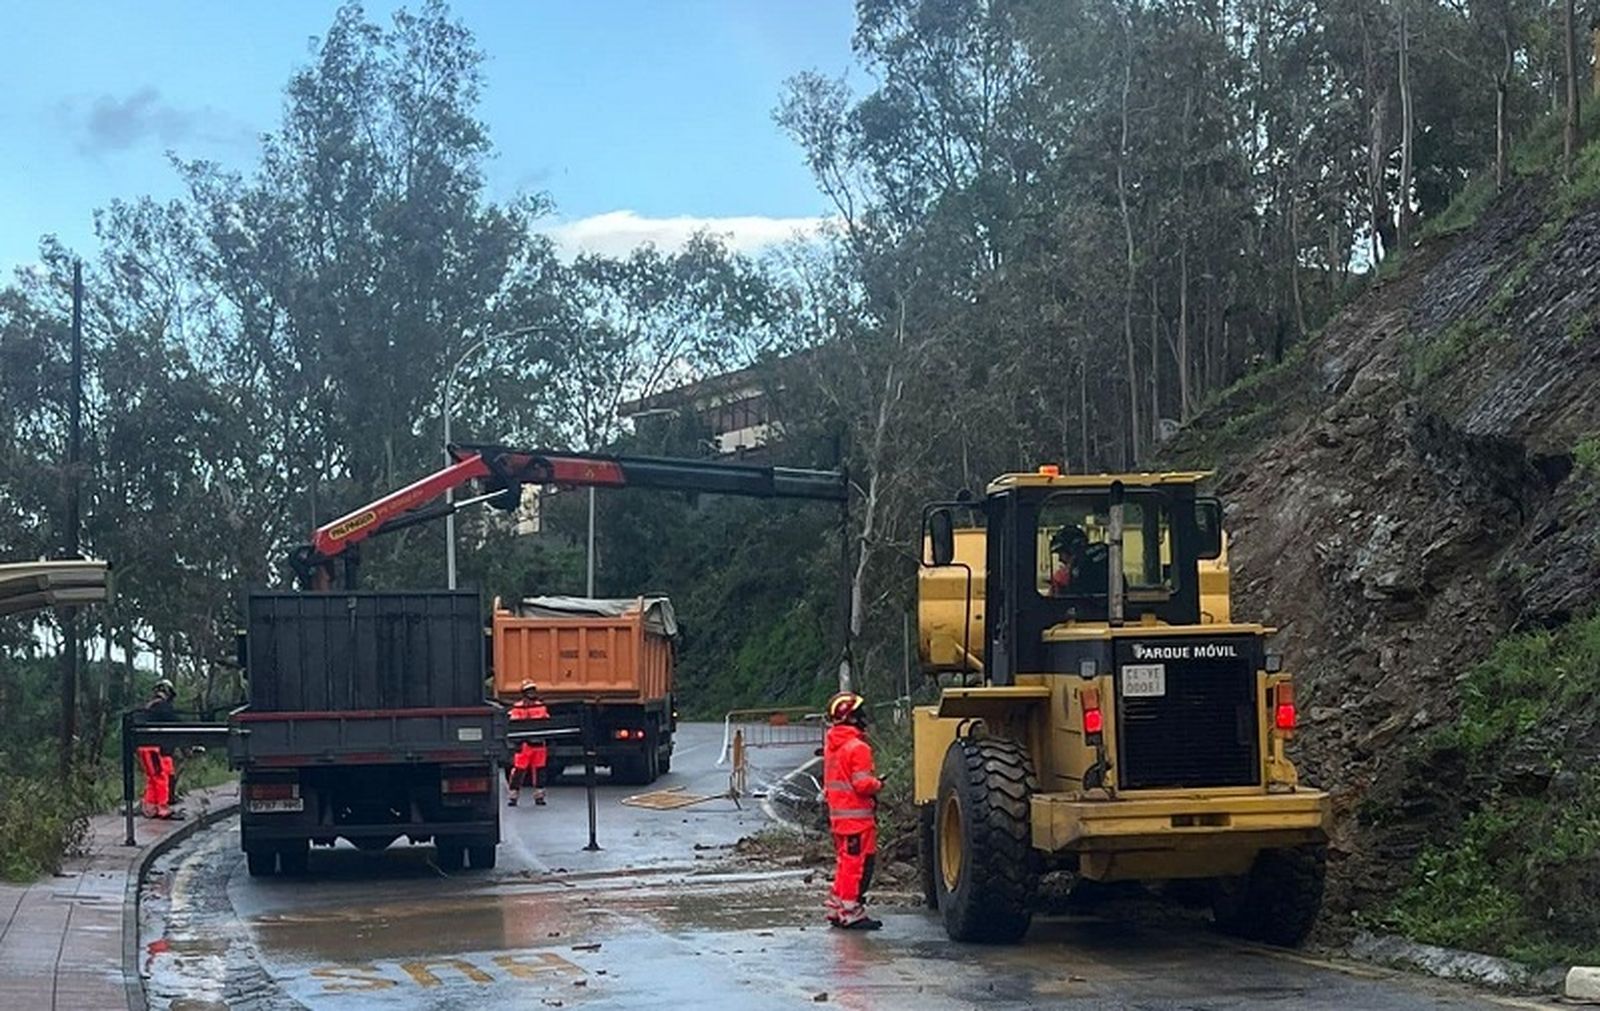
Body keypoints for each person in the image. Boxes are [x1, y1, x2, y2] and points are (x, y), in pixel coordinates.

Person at [823, 691, 883, 930]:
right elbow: (862, 784)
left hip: (839, 817)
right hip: (857, 820)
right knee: (855, 866)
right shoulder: (858, 747)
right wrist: (877, 784)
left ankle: (837, 907)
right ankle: (850, 911)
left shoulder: (833, 746)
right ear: (851, 717)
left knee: (845, 863)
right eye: (859, 713)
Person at [137, 679, 182, 820]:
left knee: (153, 778)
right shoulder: (163, 708)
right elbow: (177, 724)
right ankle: (163, 808)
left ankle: (150, 807)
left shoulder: (149, 708)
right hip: (154, 748)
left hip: (145, 747)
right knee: (161, 777)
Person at [507, 681, 550, 807]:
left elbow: (546, 722)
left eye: (533, 690)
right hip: (524, 744)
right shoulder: (517, 708)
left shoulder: (541, 706)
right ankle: (513, 796)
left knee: (540, 771)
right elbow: (513, 724)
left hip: (539, 744)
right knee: (518, 772)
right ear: (524, 693)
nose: (531, 693)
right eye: (529, 691)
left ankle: (539, 796)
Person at [1048, 524, 1110, 597]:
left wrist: (1061, 584)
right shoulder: (1104, 551)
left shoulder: (1078, 570)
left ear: (1072, 550)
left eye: (1061, 553)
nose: (1060, 559)